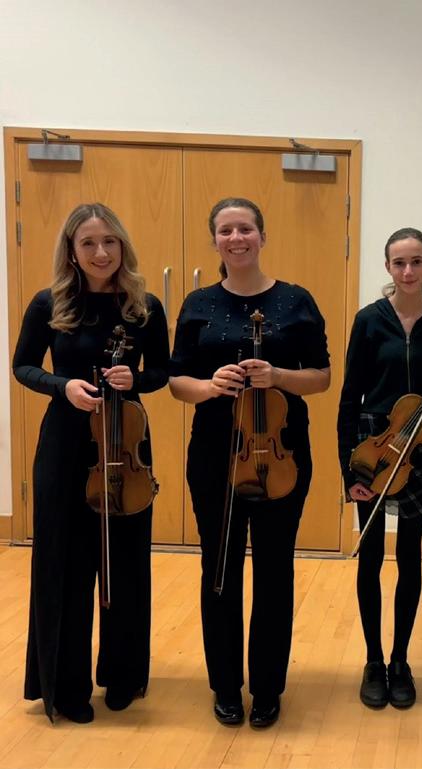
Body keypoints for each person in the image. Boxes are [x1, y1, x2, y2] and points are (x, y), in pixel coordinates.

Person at [169, 197, 330, 728]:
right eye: (226, 230)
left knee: (275, 569)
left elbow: (322, 376)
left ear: (262, 235)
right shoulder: (197, 303)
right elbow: (176, 381)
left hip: (282, 452)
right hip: (216, 453)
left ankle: (267, 688)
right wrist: (211, 385)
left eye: (245, 229)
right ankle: (225, 685)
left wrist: (277, 376)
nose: (236, 239)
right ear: (215, 240)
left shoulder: (296, 301)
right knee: (219, 568)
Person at [12, 203, 169, 723]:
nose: (101, 252)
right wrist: (63, 387)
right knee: (66, 562)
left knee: (125, 562)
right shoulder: (49, 302)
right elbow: (23, 366)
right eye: (88, 243)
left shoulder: (144, 306)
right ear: (72, 251)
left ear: (122, 246)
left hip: (126, 445)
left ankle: (123, 675)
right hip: (66, 442)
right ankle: (66, 685)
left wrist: (134, 379)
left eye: (109, 242)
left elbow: (161, 372)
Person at [337, 227, 422, 710]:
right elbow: (350, 396)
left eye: (416, 262)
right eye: (399, 263)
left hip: (419, 445)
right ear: (388, 267)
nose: (408, 271)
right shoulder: (369, 320)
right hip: (374, 445)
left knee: (410, 554)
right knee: (369, 556)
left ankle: (400, 661)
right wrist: (350, 471)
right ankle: (372, 660)